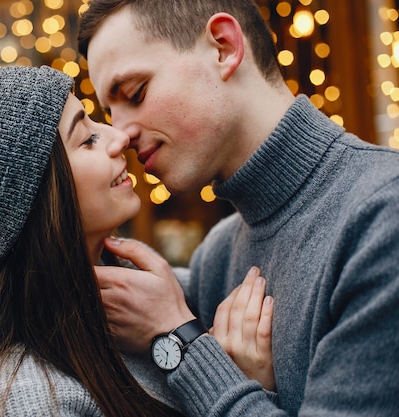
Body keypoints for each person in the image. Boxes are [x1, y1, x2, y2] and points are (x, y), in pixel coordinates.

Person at [0, 65, 273, 417]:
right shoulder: (27, 397)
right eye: (87, 139)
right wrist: (193, 351)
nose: (118, 137)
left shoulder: (151, 294)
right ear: (39, 196)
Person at [77, 0, 399, 416]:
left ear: (224, 48)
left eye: (135, 93)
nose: (119, 136)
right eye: (108, 112)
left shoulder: (382, 217)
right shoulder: (218, 254)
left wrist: (181, 341)